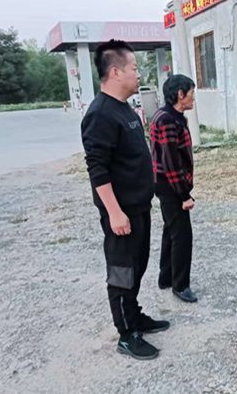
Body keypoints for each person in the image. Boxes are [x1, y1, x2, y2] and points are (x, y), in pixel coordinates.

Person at [80, 39, 169, 361]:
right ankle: (126, 334)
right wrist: (115, 213)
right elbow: (97, 169)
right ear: (116, 71)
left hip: (139, 206)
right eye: (134, 68)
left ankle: (135, 317)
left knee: (137, 266)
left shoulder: (124, 108)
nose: (138, 73)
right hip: (122, 213)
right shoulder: (100, 114)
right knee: (122, 272)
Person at [150, 74, 198, 303]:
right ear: (180, 94)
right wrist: (184, 195)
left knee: (171, 230)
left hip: (167, 182)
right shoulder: (168, 120)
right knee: (182, 235)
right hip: (169, 184)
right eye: (191, 93)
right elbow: (170, 162)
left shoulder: (170, 116)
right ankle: (180, 285)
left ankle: (166, 277)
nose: (193, 98)